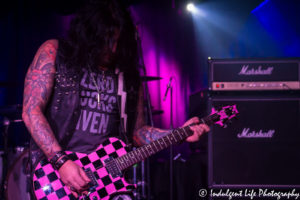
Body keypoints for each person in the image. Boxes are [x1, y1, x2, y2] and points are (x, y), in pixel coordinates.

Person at [22, 0, 210, 199]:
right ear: (88, 34)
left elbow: (137, 133)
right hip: (58, 174)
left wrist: (179, 133)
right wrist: (61, 162)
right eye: (105, 40)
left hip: (107, 182)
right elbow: (31, 110)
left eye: (116, 40)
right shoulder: (55, 52)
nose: (112, 49)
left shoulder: (128, 76)